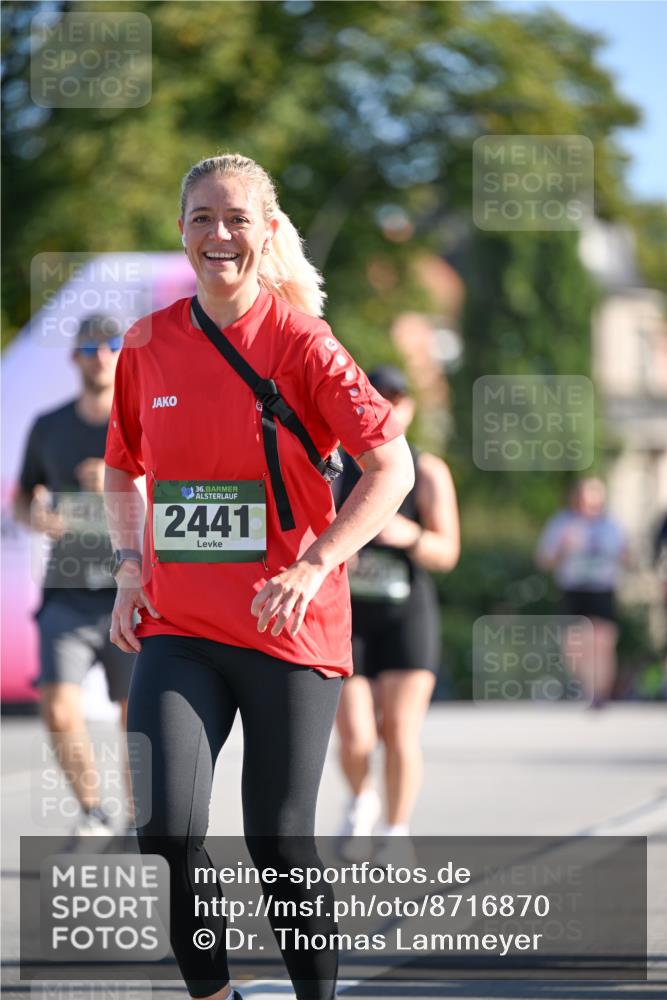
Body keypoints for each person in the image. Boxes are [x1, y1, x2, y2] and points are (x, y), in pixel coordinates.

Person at [104, 153, 414, 1000]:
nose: (219, 234)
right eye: (202, 218)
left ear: (267, 231)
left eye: (237, 218)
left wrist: (316, 562)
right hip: (179, 627)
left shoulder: (303, 343)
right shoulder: (147, 343)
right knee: (166, 831)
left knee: (279, 845)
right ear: (181, 231)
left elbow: (391, 467)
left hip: (287, 629)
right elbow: (122, 467)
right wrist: (129, 567)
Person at [14, 315, 135, 835]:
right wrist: (35, 517)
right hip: (66, 590)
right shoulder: (50, 425)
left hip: (130, 590)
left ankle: (139, 821)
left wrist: (120, 482)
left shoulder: (143, 422)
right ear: (75, 357)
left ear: (123, 355)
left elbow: (175, 495)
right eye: (90, 347)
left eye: (111, 345)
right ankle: (93, 813)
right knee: (59, 709)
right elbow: (23, 497)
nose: (100, 356)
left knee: (137, 716)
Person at [333, 367, 460, 861]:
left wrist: (411, 536)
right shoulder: (338, 465)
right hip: (349, 616)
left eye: (398, 399)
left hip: (407, 615)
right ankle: (362, 800)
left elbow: (447, 551)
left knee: (399, 732)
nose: (389, 406)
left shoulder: (427, 470)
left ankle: (396, 829)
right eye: (379, 397)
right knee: (355, 735)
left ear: (410, 407)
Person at [536, 477, 629, 706]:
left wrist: (623, 557)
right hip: (573, 588)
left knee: (603, 643)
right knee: (573, 646)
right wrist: (563, 548)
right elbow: (544, 560)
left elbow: (628, 558)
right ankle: (586, 686)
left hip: (602, 588)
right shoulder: (562, 523)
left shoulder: (612, 526)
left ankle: (600, 694)